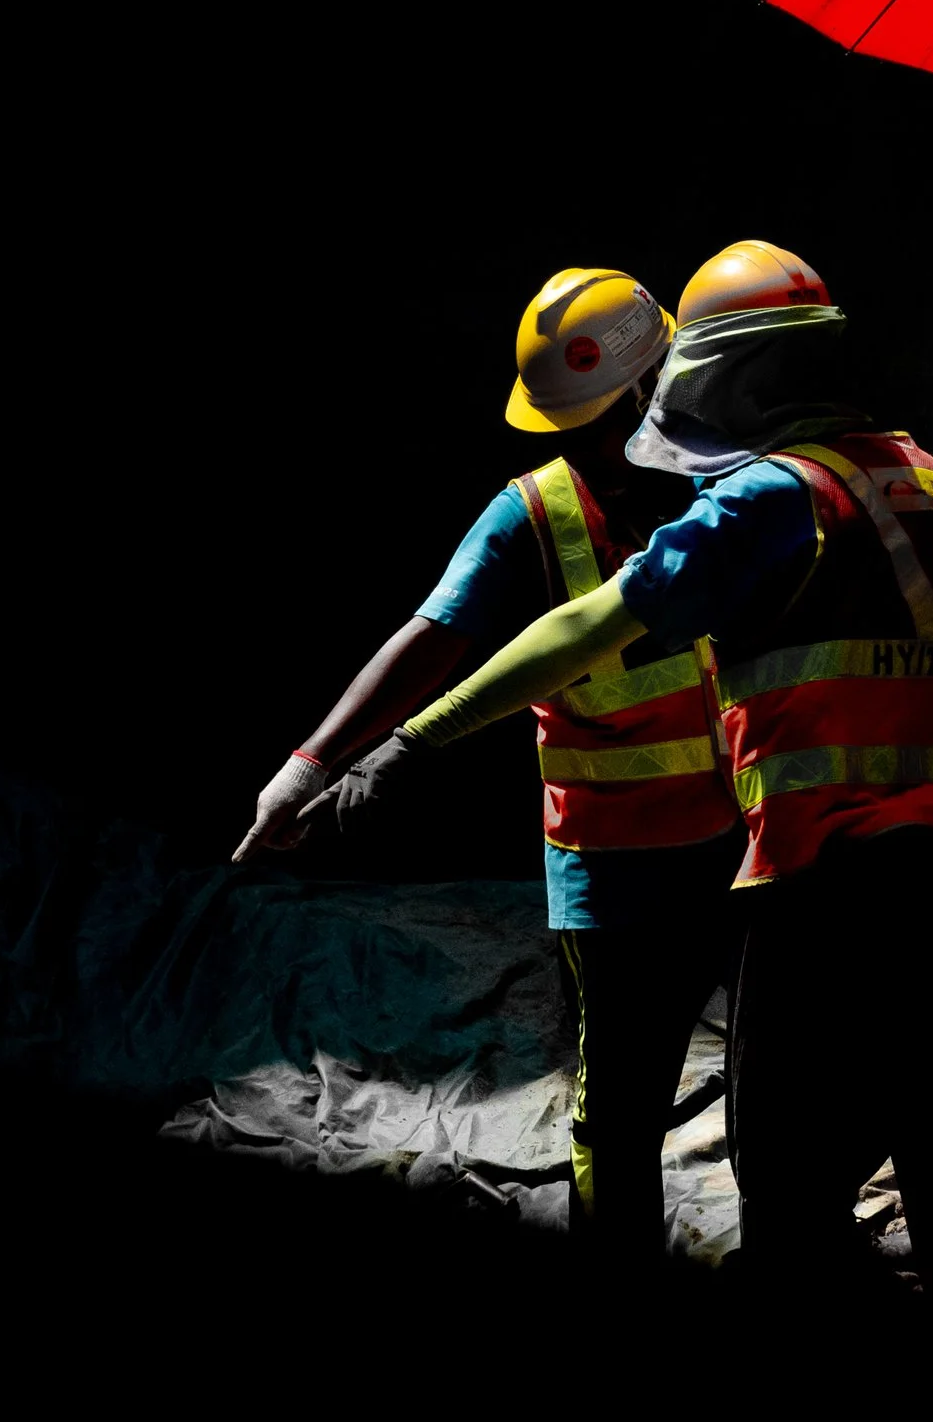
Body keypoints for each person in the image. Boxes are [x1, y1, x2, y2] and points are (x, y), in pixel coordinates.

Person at [357, 240, 933, 1333]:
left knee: (782, 1160)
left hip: (822, 881)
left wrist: (414, 744)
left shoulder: (773, 498)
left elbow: (591, 624)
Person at [236, 266, 743, 1277]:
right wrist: (306, 766)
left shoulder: (734, 485)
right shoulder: (534, 516)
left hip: (747, 846)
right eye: (578, 424)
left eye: (603, 417)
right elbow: (431, 638)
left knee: (785, 1088)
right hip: (614, 867)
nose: (593, 445)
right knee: (618, 1114)